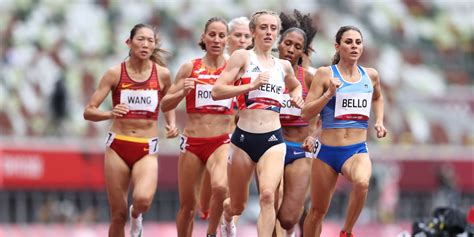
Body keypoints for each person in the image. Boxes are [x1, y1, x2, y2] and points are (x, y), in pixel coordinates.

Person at [212, 10, 304, 237]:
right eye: (263, 27)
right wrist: (249, 87)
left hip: (273, 140)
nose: (269, 32)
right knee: (237, 206)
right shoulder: (242, 57)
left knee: (267, 196)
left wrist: (297, 95)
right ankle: (227, 219)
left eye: (273, 28)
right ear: (253, 31)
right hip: (243, 139)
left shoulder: (283, 66)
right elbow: (217, 91)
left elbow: (294, 85)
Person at [83, 23, 178, 237]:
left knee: (143, 200)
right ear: (129, 42)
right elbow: (89, 111)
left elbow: (168, 102)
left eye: (150, 41)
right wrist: (110, 113)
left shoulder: (162, 74)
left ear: (154, 46)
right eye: (140, 39)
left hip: (146, 147)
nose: (145, 44)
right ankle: (128, 218)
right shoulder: (114, 73)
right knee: (117, 214)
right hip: (118, 146)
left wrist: (171, 124)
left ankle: (137, 215)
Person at [301, 25, 387, 237]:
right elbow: (305, 113)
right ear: (337, 46)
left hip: (356, 150)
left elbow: (377, 97)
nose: (354, 46)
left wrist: (380, 121)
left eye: (358, 42)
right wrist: (328, 94)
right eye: (349, 42)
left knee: (362, 182)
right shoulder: (325, 74)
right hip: (327, 153)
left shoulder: (371, 75)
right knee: (317, 211)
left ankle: (346, 231)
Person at [160, 17, 233, 237]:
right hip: (192, 143)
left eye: (221, 35)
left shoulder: (234, 68)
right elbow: (165, 104)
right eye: (212, 34)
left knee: (221, 188)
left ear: (227, 40)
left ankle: (211, 233)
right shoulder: (189, 68)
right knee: (187, 207)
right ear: (203, 37)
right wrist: (182, 91)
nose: (217, 39)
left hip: (221, 141)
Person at [198, 16, 253, 221]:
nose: (242, 40)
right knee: (206, 201)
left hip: (245, 137)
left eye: (247, 36)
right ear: (228, 38)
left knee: (236, 190)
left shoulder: (258, 67)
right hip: (216, 137)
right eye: (237, 35)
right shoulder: (220, 66)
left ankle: (228, 227)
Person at [276, 10, 319, 237]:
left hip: (299, 149)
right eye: (287, 44)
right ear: (279, 44)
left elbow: (324, 115)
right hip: (270, 146)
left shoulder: (309, 78)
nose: (291, 49)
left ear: (302, 50)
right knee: (269, 203)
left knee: (288, 218)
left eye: (297, 46)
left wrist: (315, 136)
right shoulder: (266, 74)